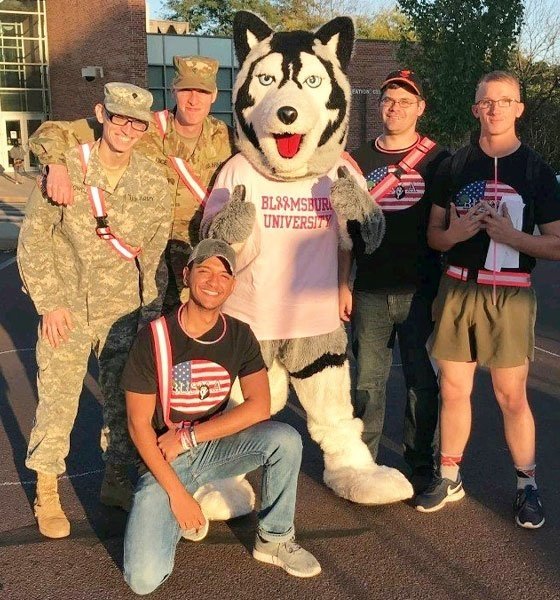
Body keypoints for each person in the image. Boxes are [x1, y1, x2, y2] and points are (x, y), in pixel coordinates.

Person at [121, 239, 321, 594]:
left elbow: (260, 405)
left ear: (232, 285)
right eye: (205, 270)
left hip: (208, 445)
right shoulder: (155, 337)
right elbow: (138, 427)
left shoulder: (239, 335)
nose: (214, 281)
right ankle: (180, 502)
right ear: (186, 275)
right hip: (164, 459)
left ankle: (274, 539)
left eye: (224, 274)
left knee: (285, 439)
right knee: (143, 579)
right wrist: (177, 496)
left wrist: (190, 436)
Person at [17, 82, 172, 538]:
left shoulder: (152, 182)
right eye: (119, 118)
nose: (127, 128)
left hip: (123, 310)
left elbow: (155, 256)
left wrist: (149, 314)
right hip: (66, 306)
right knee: (58, 399)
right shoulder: (67, 169)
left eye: (137, 122)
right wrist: (50, 304)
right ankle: (47, 487)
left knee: (125, 402)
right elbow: (33, 242)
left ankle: (116, 480)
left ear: (146, 128)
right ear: (102, 114)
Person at [414, 71, 560, 528]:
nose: (495, 108)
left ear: (519, 108)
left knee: (510, 395)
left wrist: (512, 236)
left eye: (505, 100)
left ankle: (527, 484)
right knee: (455, 390)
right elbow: (435, 235)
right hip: (459, 287)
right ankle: (449, 475)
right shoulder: (454, 165)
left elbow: (556, 244)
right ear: (476, 108)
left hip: (511, 295)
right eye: (486, 101)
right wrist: (454, 234)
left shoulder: (536, 170)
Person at [29, 55, 234, 311]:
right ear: (173, 90)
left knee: (185, 338)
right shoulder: (140, 126)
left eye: (202, 92)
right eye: (186, 90)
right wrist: (56, 165)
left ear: (214, 95)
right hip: (140, 254)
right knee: (141, 337)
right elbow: (53, 131)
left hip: (194, 256)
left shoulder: (228, 139)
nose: (193, 100)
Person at [339, 70, 448, 491]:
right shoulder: (357, 161)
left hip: (423, 290)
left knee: (423, 380)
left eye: (406, 101)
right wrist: (340, 284)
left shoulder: (440, 160)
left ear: (420, 108)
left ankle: (420, 461)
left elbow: (451, 226)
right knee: (367, 380)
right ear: (379, 104)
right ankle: (363, 463)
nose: (395, 107)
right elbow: (345, 231)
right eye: (388, 98)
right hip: (369, 288)